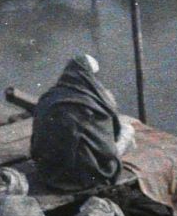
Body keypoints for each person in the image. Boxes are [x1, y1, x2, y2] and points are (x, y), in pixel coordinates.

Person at [30, 53, 131, 193]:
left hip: (47, 172)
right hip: (82, 178)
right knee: (128, 130)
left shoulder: (48, 97)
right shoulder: (94, 106)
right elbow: (107, 151)